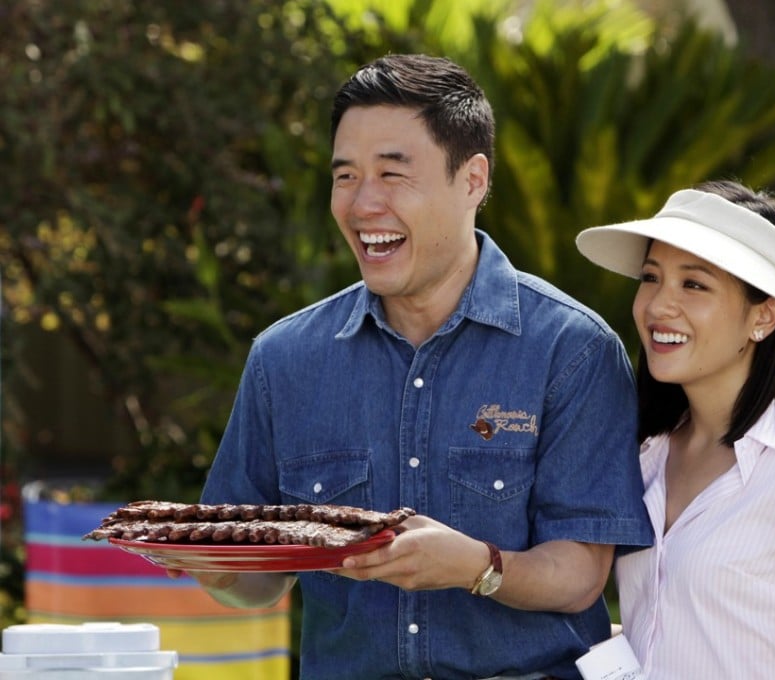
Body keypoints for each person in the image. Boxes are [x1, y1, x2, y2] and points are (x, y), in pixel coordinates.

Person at [192, 54, 654, 680]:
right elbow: (260, 581)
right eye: (346, 176)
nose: (363, 204)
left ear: (472, 180)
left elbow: (579, 576)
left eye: (392, 173)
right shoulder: (284, 359)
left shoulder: (571, 349)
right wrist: (212, 567)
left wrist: (476, 567)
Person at [575, 181, 775, 679]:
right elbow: (678, 631)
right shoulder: (649, 449)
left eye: (694, 284)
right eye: (651, 277)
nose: (659, 305)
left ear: (763, 316)